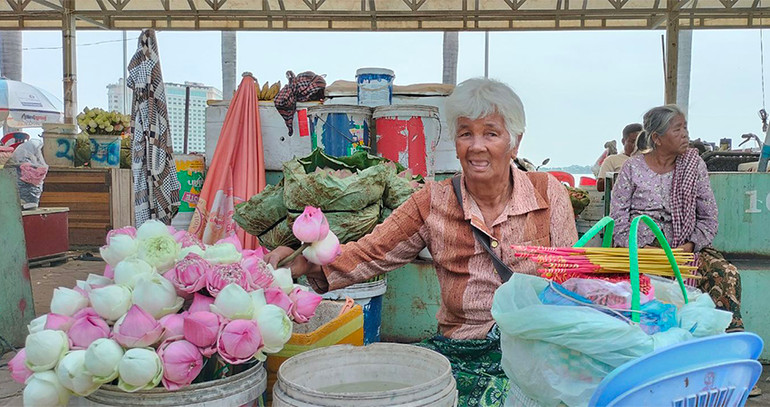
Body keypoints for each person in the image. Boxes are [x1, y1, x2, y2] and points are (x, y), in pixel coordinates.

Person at [265, 77, 578, 406]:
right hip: (463, 353)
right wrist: (307, 260)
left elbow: (573, 287)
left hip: (534, 353)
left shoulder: (548, 193)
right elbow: (373, 252)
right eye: (465, 133)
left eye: (491, 133)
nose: (476, 146)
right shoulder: (433, 202)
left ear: (515, 143)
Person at [609, 104, 744, 331]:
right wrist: (644, 249)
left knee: (726, 273)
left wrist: (688, 246)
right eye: (677, 129)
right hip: (639, 251)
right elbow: (618, 219)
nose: (685, 134)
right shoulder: (632, 168)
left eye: (685, 128)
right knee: (619, 284)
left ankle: (726, 338)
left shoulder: (694, 165)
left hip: (685, 251)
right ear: (657, 138)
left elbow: (709, 218)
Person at [596, 123, 642, 192]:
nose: (636, 146)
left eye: (640, 142)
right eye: (633, 141)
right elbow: (600, 186)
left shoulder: (650, 161)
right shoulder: (612, 160)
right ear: (623, 141)